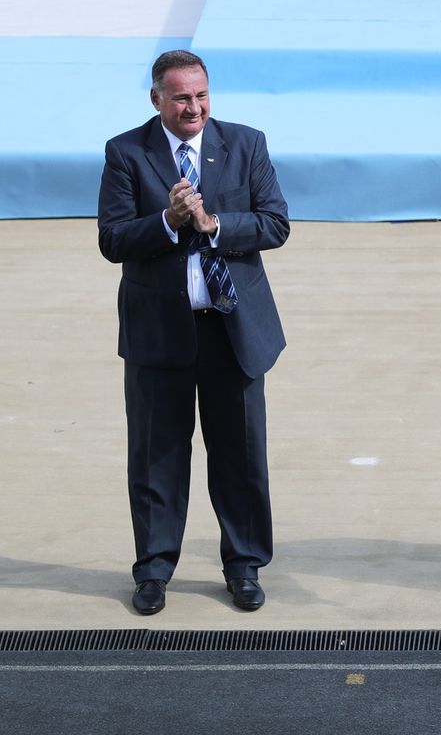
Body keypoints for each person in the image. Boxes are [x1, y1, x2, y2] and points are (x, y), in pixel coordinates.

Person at [97, 50, 289, 615]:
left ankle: (244, 566)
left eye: (201, 95)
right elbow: (113, 240)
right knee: (157, 457)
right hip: (160, 335)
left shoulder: (245, 144)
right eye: (181, 97)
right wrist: (167, 222)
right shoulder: (126, 153)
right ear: (156, 99)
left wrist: (215, 224)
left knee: (241, 454)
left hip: (232, 331)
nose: (194, 107)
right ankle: (155, 569)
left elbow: (276, 222)